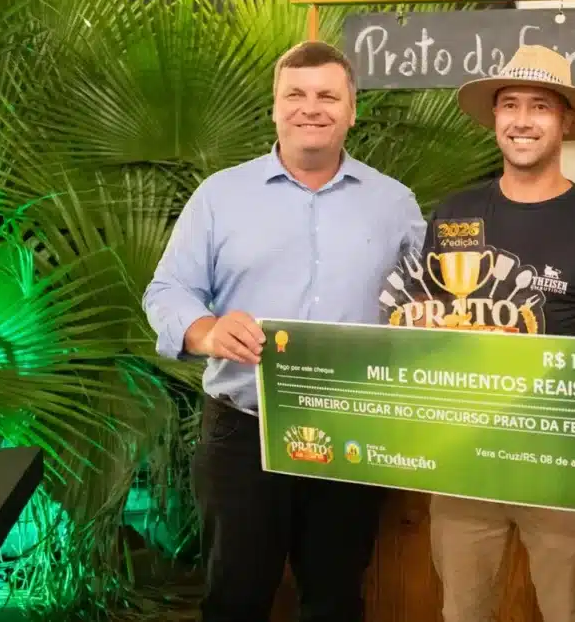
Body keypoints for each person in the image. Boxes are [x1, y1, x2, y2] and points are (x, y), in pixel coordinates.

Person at [142, 41, 426, 622]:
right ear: (274, 108)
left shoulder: (394, 203)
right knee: (235, 598)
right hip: (244, 431)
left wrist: (425, 318)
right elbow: (167, 290)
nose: (310, 108)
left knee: (335, 599)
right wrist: (207, 330)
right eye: (295, 94)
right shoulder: (220, 196)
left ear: (352, 110)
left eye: (328, 96)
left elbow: (426, 298)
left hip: (352, 429)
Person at [419, 44, 575, 622]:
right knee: (462, 612)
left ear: (566, 121)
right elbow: (426, 324)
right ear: (494, 116)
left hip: (563, 465)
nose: (522, 120)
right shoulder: (454, 215)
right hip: (465, 458)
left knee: (574, 613)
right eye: (510, 104)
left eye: (540, 106)